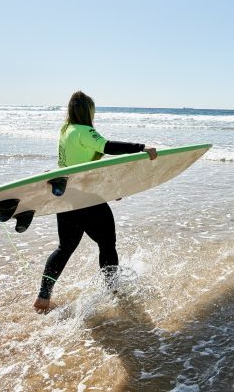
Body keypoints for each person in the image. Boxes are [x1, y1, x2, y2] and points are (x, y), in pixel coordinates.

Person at [33, 91, 157, 314]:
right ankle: (113, 290)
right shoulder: (85, 131)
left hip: (67, 196)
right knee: (107, 244)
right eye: (93, 110)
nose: (94, 114)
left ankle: (43, 296)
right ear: (87, 111)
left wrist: (110, 189)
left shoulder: (66, 131)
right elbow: (108, 147)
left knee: (65, 248)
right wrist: (141, 147)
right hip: (87, 198)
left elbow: (83, 166)